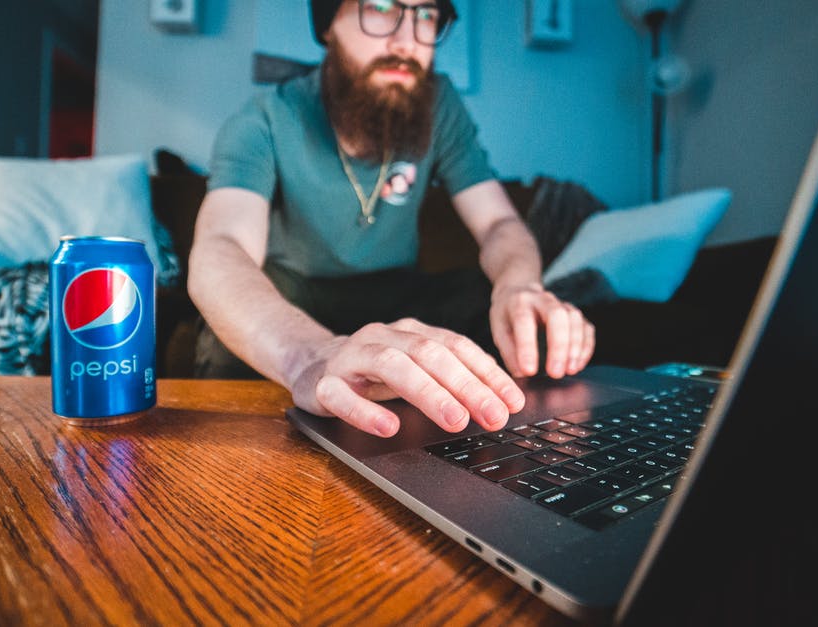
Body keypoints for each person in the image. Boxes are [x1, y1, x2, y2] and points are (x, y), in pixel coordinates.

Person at [187, 0, 595, 438]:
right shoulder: (265, 117)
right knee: (222, 330)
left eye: (425, 16)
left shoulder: (439, 105)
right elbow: (221, 245)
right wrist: (308, 357)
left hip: (401, 296)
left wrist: (519, 287)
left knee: (504, 307)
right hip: (297, 295)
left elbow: (499, 224)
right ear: (328, 26)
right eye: (380, 8)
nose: (406, 41)